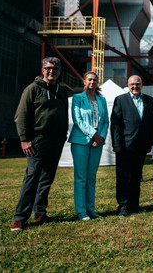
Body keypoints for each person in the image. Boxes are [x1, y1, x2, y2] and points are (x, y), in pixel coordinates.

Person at [11, 57, 69, 231]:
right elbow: (21, 115)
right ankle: (20, 218)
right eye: (48, 68)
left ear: (60, 71)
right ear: (43, 70)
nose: (52, 71)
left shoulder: (62, 90)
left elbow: (64, 113)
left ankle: (40, 213)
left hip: (56, 139)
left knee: (46, 178)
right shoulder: (32, 89)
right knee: (32, 177)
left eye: (55, 68)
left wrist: (63, 134)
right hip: (37, 139)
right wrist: (24, 139)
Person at [110, 75, 153, 217]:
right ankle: (123, 205)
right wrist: (116, 143)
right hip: (124, 145)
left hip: (141, 145)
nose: (135, 86)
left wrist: (149, 143)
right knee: (123, 176)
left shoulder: (148, 100)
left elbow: (149, 124)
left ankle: (134, 204)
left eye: (138, 84)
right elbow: (115, 124)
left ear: (142, 84)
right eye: (132, 84)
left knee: (136, 175)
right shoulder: (121, 100)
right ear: (128, 85)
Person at [68, 71, 109, 221]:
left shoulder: (102, 100)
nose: (92, 82)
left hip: (97, 142)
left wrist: (101, 137)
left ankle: (91, 209)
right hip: (80, 141)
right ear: (85, 82)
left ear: (98, 82)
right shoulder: (77, 98)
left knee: (91, 177)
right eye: (89, 80)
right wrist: (94, 134)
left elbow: (105, 121)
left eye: (95, 80)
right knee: (81, 177)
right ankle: (80, 211)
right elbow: (78, 119)